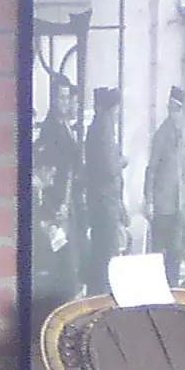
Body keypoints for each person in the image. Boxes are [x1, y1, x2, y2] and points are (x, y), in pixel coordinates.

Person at [33, 73, 83, 299]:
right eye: (60, 98)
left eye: (67, 97)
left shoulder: (65, 126)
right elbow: (49, 168)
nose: (64, 102)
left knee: (71, 257)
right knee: (64, 260)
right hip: (57, 200)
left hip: (69, 197)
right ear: (53, 99)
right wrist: (55, 205)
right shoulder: (52, 128)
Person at [146, 86, 185, 286]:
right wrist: (149, 200)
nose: (174, 114)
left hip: (178, 206)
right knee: (159, 252)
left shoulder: (180, 134)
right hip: (163, 205)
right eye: (172, 109)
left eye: (178, 110)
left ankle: (173, 288)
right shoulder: (162, 135)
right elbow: (151, 169)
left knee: (175, 253)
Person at [83, 86, 126, 298]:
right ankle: (103, 296)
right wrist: (122, 162)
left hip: (100, 199)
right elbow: (109, 167)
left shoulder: (97, 126)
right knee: (107, 252)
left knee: (100, 251)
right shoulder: (105, 128)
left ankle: (97, 293)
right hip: (105, 201)